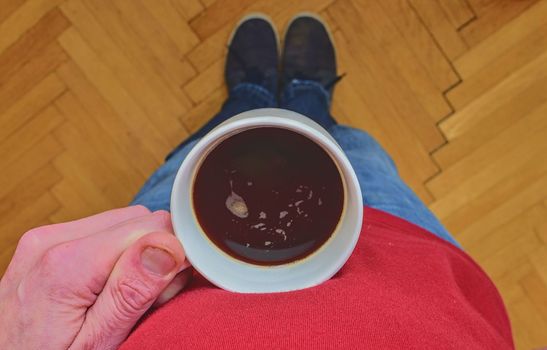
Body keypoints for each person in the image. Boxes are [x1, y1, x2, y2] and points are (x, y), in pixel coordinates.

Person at [0, 14, 513, 349]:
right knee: (360, 154)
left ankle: (249, 96)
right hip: (411, 257)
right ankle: (306, 96)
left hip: (173, 273)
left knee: (193, 157)